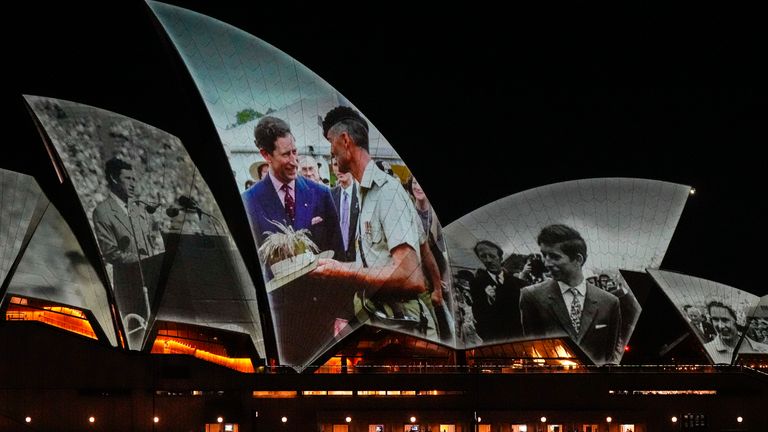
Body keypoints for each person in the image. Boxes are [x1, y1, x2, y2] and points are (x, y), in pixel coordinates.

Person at [311, 106, 437, 338]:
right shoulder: (365, 192)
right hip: (381, 322)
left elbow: (411, 277)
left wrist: (343, 272)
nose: (331, 152)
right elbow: (375, 263)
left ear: (345, 140)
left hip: (403, 328)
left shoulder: (387, 192)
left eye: (331, 143)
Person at [241, 116, 343, 277]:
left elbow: (338, 254)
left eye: (294, 152)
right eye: (286, 155)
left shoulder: (321, 194)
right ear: (266, 155)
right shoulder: (249, 202)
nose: (294, 161)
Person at [519, 224, 622, 365]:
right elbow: (533, 350)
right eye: (544, 255)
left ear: (578, 260)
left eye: (554, 257)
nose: (547, 263)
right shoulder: (532, 296)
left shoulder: (609, 302)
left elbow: (611, 354)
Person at [92, 157, 163, 265]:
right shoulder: (102, 211)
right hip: (128, 278)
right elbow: (110, 253)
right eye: (128, 179)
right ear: (114, 178)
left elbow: (150, 242)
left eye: (134, 179)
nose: (132, 184)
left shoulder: (138, 208)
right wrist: (146, 260)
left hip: (151, 273)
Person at [469, 240, 528, 343]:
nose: (488, 260)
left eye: (492, 256)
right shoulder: (476, 283)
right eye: (483, 256)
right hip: (494, 341)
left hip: (518, 338)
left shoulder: (520, 284)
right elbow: (478, 314)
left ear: (500, 258)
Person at [703, 301, 768, 364]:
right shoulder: (706, 351)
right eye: (715, 319)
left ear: (738, 320)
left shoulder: (763, 350)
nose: (720, 326)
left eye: (725, 320)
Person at [330, 156, 359, 262]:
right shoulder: (330, 195)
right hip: (336, 259)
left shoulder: (362, 194)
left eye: (344, 164)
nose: (340, 169)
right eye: (336, 165)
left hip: (357, 260)